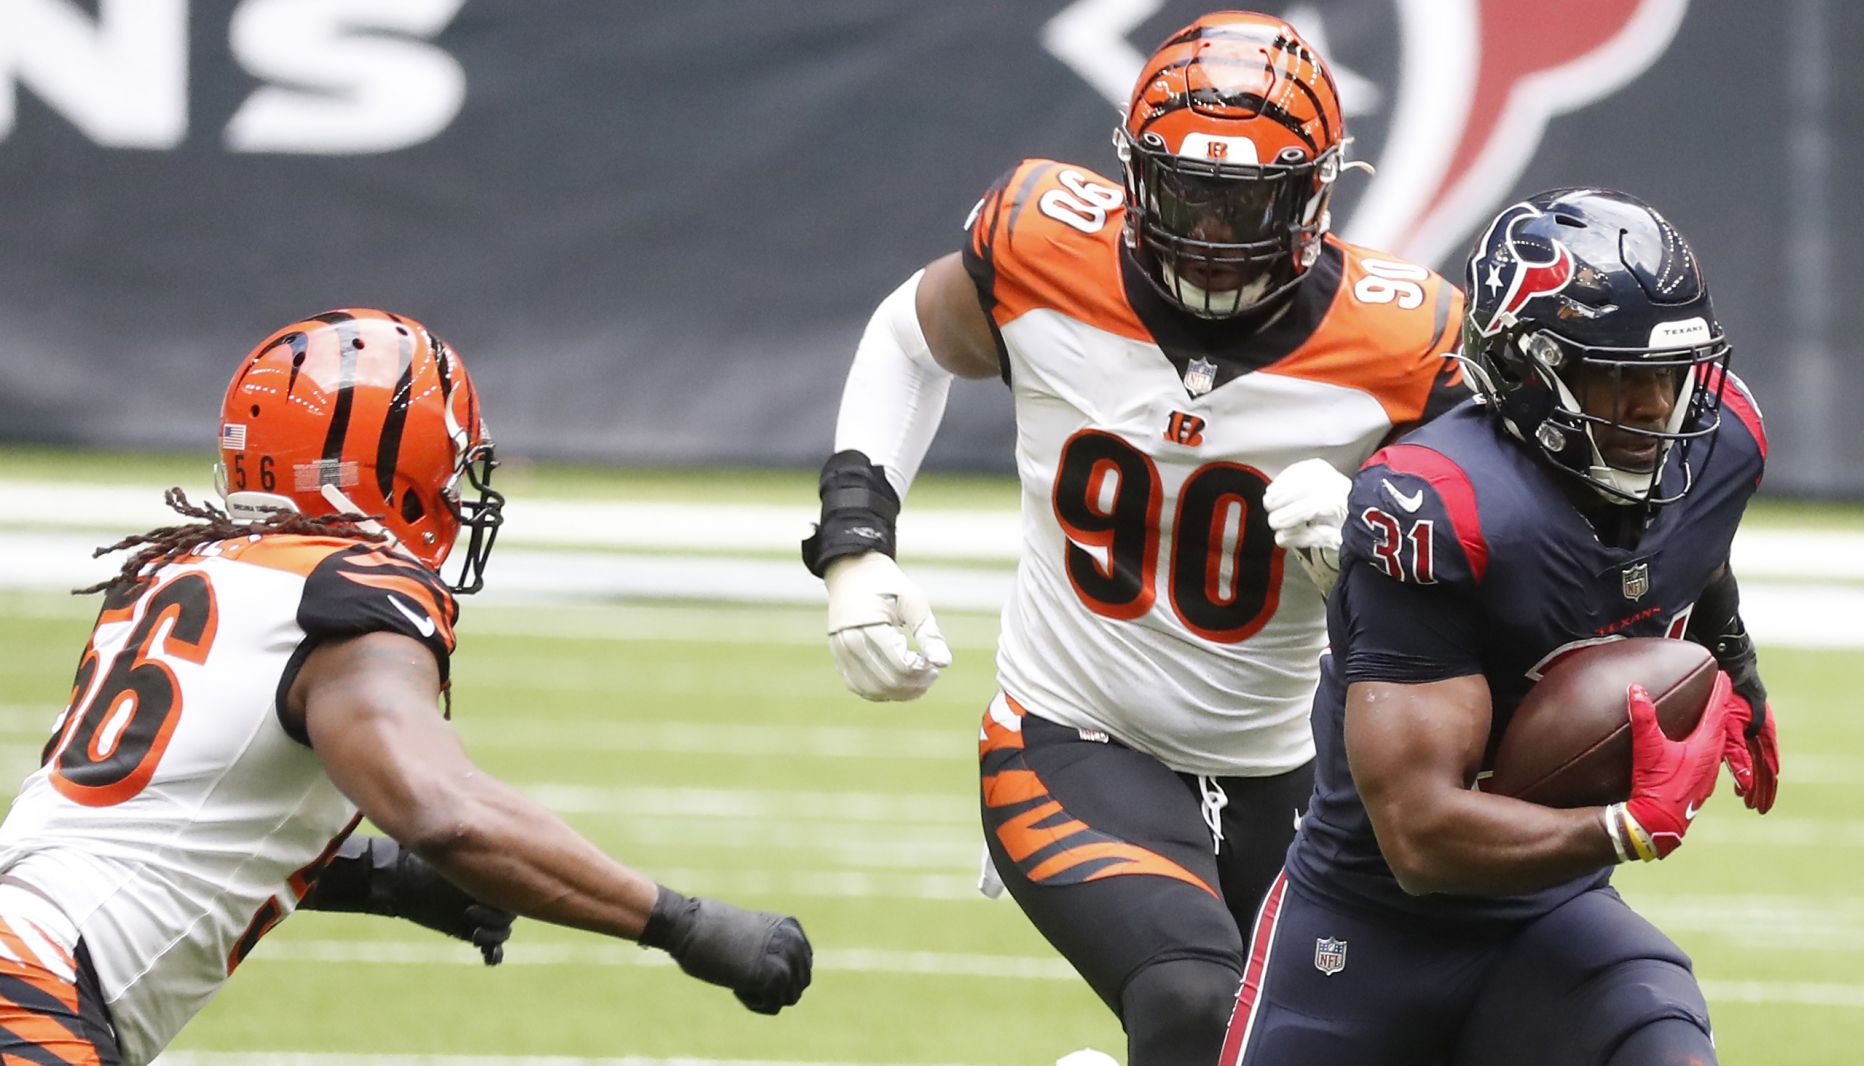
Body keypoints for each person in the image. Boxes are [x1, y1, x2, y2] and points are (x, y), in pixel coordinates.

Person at [799, 13, 1469, 1065]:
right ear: (1131, 177)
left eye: (1244, 200)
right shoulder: (1041, 251)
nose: (1210, 231)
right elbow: (905, 334)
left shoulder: (1397, 340)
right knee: (1189, 1005)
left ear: (1316, 193)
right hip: (1070, 733)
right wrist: (854, 542)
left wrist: (1379, 535)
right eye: (1186, 193)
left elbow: (1481, 538)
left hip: (1289, 767)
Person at [0, 310, 812, 1064]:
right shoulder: (349, 590)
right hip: (32, 993)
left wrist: (383, 880)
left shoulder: (180, 570)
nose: (459, 497)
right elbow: (447, 814)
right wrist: (682, 924)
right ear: (397, 469)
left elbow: (170, 825)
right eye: (451, 471)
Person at [1218, 188, 1783, 1066]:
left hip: (1551, 914)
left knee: (1666, 1044)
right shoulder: (1441, 506)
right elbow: (1417, 837)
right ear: (1525, 369)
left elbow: (1696, 551)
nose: (1654, 412)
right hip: (1368, 932)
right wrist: (1624, 829)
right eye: (1616, 377)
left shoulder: (1719, 442)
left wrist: (1734, 661)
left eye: (1670, 377)